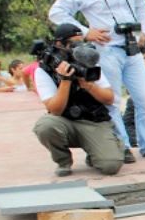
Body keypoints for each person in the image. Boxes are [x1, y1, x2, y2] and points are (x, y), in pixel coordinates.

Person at [49, 0, 145, 162]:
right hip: (107, 50)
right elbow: (56, 12)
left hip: (132, 49)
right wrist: (86, 32)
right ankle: (120, 145)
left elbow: (142, 4)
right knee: (112, 101)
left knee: (144, 99)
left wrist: (142, 29)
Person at [32, 23, 123, 177]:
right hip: (65, 121)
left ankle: (110, 146)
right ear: (60, 44)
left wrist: (89, 86)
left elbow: (109, 98)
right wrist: (65, 81)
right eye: (74, 44)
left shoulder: (88, 62)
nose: (79, 48)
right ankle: (63, 161)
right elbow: (55, 109)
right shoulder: (44, 70)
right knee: (45, 126)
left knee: (111, 166)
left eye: (82, 42)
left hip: (94, 121)